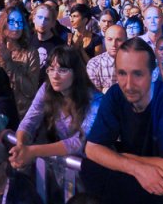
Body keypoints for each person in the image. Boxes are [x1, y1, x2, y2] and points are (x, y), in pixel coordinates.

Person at [81, 38, 163, 204]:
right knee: (90, 168)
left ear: (153, 75)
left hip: (159, 185)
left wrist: (118, 158)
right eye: (122, 73)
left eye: (137, 74)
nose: (128, 85)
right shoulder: (116, 94)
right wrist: (137, 169)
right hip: (137, 174)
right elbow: (92, 149)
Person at [10, 46, 102, 200]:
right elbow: (30, 120)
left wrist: (32, 151)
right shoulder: (47, 88)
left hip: (93, 169)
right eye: (51, 69)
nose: (55, 76)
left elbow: (79, 142)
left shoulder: (96, 100)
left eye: (62, 70)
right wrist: (21, 146)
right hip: (66, 168)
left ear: (76, 73)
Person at [0, 6, 40, 119]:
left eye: (20, 22)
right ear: (4, 24)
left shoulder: (31, 52)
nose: (16, 27)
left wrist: (9, 62)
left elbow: (31, 90)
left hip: (21, 114)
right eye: (12, 22)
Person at [30, 3, 65, 84]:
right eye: (39, 17)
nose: (42, 22)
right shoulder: (26, 42)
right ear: (33, 19)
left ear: (53, 23)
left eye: (47, 19)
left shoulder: (60, 46)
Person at [86, 25, 127, 93]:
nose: (113, 44)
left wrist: (104, 90)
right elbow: (95, 95)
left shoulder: (134, 63)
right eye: (110, 39)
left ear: (126, 41)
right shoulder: (94, 64)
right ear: (104, 40)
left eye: (118, 40)